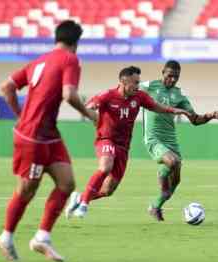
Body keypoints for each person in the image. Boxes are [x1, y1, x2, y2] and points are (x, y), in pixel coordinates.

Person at [0, 20, 96, 262]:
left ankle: (42, 237)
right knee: (27, 190)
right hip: (34, 137)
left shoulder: (40, 60)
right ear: (76, 43)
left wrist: (20, 115)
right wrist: (92, 115)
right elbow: (69, 94)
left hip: (48, 134)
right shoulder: (70, 59)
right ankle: (6, 237)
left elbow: (7, 86)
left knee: (66, 183)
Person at [65, 66, 191, 219]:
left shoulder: (139, 97)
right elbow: (89, 107)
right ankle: (84, 204)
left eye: (138, 83)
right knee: (105, 167)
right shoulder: (107, 95)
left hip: (123, 147)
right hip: (106, 140)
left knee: (108, 190)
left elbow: (157, 107)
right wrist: (92, 112)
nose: (138, 86)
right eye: (135, 83)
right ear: (123, 81)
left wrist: (176, 110)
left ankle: (79, 198)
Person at [139, 60, 218, 221]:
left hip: (171, 140)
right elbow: (126, 89)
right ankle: (162, 173)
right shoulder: (148, 86)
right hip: (153, 138)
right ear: (163, 72)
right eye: (169, 76)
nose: (172, 80)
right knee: (173, 162)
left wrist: (210, 115)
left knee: (175, 183)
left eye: (176, 77)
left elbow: (195, 119)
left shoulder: (179, 95)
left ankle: (155, 206)